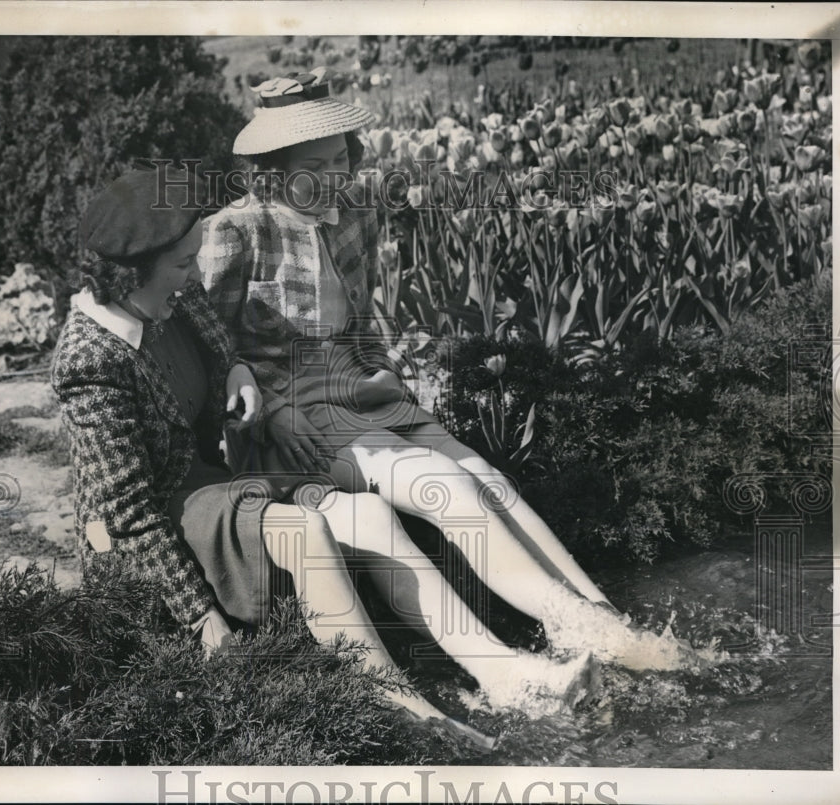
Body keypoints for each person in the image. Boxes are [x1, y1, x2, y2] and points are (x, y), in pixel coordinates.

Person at [51, 167, 601, 748]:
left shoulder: (170, 296)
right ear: (131, 275)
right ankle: (399, 708)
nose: (194, 275)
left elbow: (220, 352)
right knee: (304, 528)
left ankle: (505, 673)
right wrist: (198, 616)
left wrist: (239, 376)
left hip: (212, 486)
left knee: (369, 517)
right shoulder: (90, 364)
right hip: (156, 523)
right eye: (184, 265)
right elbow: (129, 516)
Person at [199, 69, 713, 673]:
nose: (338, 174)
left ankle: (602, 620)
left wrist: (381, 378)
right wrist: (268, 408)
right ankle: (579, 630)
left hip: (357, 390)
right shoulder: (233, 231)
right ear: (275, 168)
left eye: (341, 156)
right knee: (453, 491)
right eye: (319, 164)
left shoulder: (353, 214)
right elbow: (210, 347)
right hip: (290, 422)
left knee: (487, 477)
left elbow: (361, 326)